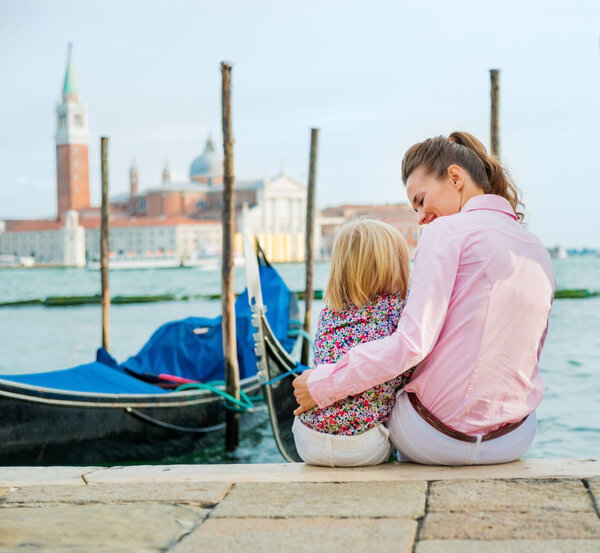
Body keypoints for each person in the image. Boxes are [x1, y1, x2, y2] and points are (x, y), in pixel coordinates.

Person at [293, 131, 556, 466]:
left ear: (455, 178)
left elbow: (411, 344)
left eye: (420, 200)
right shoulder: (536, 247)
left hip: (437, 439)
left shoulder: (445, 233)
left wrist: (323, 383)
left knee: (386, 396)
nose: (420, 217)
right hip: (514, 439)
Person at [293, 218, 414, 467]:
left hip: (306, 440)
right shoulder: (398, 311)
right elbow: (406, 369)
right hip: (363, 446)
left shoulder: (328, 312)